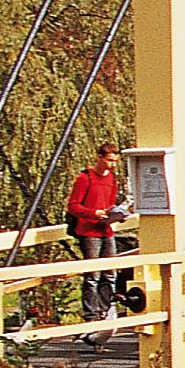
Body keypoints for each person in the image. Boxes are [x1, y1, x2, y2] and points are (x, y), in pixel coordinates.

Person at [66, 141, 126, 338]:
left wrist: (113, 213)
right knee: (93, 275)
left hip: (106, 229)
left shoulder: (112, 179)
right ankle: (91, 315)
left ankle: (105, 309)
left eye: (115, 161)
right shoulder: (86, 178)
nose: (112, 165)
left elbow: (109, 202)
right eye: (109, 161)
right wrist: (93, 213)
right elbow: (73, 206)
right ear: (100, 158)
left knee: (110, 273)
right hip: (89, 230)